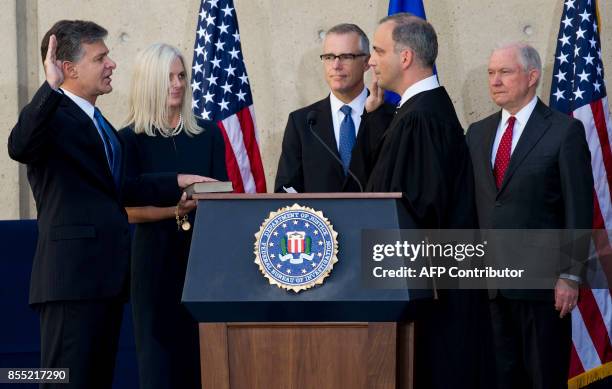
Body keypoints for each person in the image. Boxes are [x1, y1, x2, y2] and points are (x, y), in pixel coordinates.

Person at [7, 20, 204, 389]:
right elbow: (19, 145)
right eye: (101, 58)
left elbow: (119, 188)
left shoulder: (98, 122)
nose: (111, 64)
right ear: (69, 68)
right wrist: (49, 88)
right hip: (71, 281)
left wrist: (176, 181)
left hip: (104, 280)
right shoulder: (51, 117)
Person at [362, 13, 488, 388]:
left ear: (405, 58)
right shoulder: (417, 112)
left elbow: (413, 207)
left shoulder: (422, 118)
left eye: (378, 50)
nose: (370, 60)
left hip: (431, 295)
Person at [466, 43, 593, 389]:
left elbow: (579, 210)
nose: (494, 81)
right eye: (491, 73)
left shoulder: (564, 131)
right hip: (488, 286)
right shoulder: (477, 134)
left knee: (542, 378)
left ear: (532, 76)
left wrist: (570, 275)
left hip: (542, 287)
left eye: (504, 72)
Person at [118, 43, 227, 389]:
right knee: (159, 362)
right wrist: (172, 209)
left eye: (182, 76)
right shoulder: (129, 140)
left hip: (205, 261)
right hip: (154, 262)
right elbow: (125, 204)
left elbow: (223, 192)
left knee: (203, 360)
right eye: (168, 78)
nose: (178, 84)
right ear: (149, 83)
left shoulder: (208, 133)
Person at [274, 23, 394, 193]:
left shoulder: (391, 117)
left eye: (346, 56)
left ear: (367, 62)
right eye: (329, 57)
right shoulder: (302, 122)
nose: (336, 65)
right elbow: (285, 191)